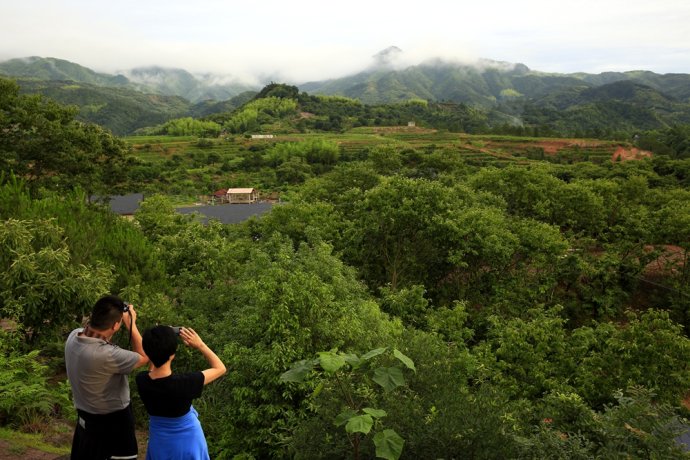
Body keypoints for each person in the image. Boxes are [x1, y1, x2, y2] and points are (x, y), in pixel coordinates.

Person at [64, 295, 149, 460]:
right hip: (114, 424)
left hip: (85, 422)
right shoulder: (106, 355)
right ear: (116, 325)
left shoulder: (73, 337)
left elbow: (95, 334)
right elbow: (144, 356)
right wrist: (131, 323)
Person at [136, 326, 226, 460]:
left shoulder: (142, 380)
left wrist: (157, 338)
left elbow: (153, 370)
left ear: (148, 352)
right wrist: (200, 344)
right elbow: (220, 368)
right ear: (173, 354)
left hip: (159, 441)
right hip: (188, 442)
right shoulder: (185, 383)